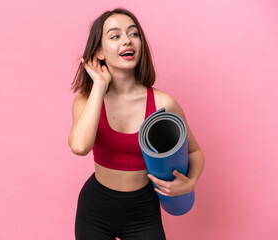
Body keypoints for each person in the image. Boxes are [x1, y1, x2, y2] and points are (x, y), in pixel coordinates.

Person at [68, 8, 204, 240]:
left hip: (143, 211)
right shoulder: (87, 100)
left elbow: (194, 151)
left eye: (134, 34)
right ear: (99, 51)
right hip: (95, 209)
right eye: (115, 36)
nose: (127, 40)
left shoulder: (163, 102)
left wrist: (190, 183)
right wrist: (99, 86)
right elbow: (80, 147)